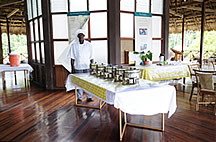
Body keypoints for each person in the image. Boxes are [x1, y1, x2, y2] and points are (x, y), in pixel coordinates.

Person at [68, 29, 94, 104]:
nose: (81, 37)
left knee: (88, 83)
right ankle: (79, 98)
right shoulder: (74, 45)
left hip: (87, 66)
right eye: (79, 35)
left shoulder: (89, 45)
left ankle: (89, 97)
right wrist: (72, 68)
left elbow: (91, 57)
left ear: (84, 36)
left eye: (82, 35)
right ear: (77, 36)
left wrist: (92, 67)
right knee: (79, 83)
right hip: (78, 67)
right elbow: (72, 58)